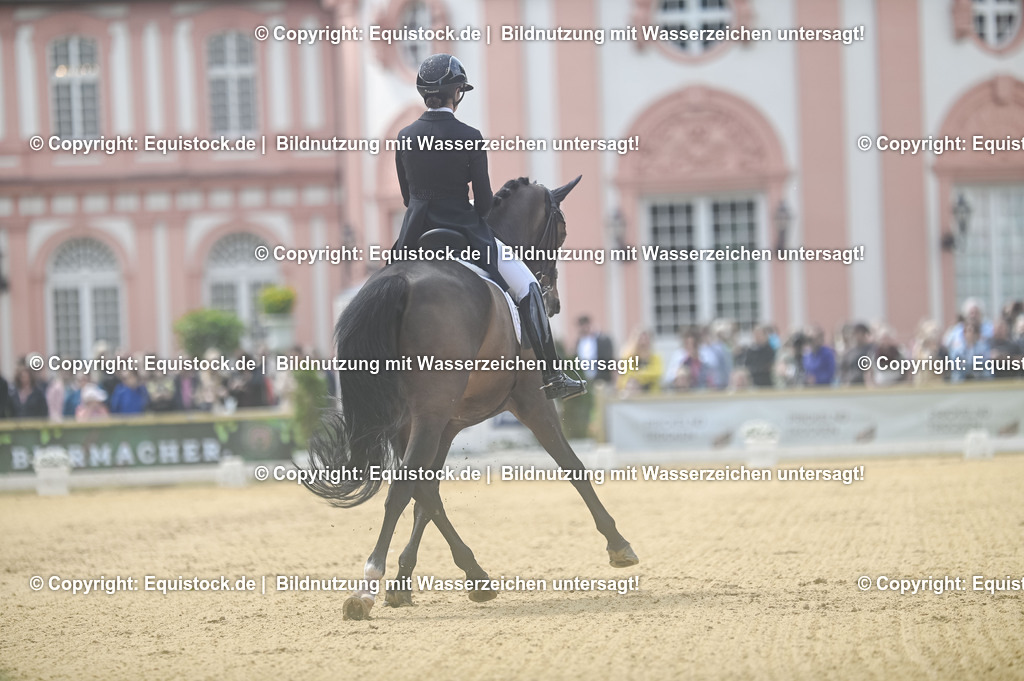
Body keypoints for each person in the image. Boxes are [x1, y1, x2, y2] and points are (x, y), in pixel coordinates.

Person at [392, 53, 585, 401]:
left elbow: (409, 197)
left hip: (414, 237)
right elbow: (483, 203)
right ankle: (554, 376)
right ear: (456, 94)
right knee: (526, 285)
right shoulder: (469, 135)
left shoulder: (405, 136)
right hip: (466, 233)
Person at [575, 315, 615, 384]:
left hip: (601, 378)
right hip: (585, 379)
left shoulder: (602, 340)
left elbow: (608, 358)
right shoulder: (579, 342)